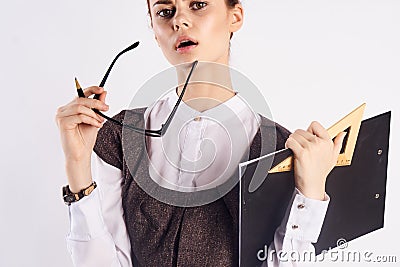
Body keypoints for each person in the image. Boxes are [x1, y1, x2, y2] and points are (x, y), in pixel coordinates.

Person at [56, 0, 347, 266]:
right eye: (164, 12)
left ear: (235, 16)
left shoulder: (283, 151)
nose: (179, 21)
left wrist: (310, 195)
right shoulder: (119, 137)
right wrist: (77, 165)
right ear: (155, 32)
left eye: (198, 5)